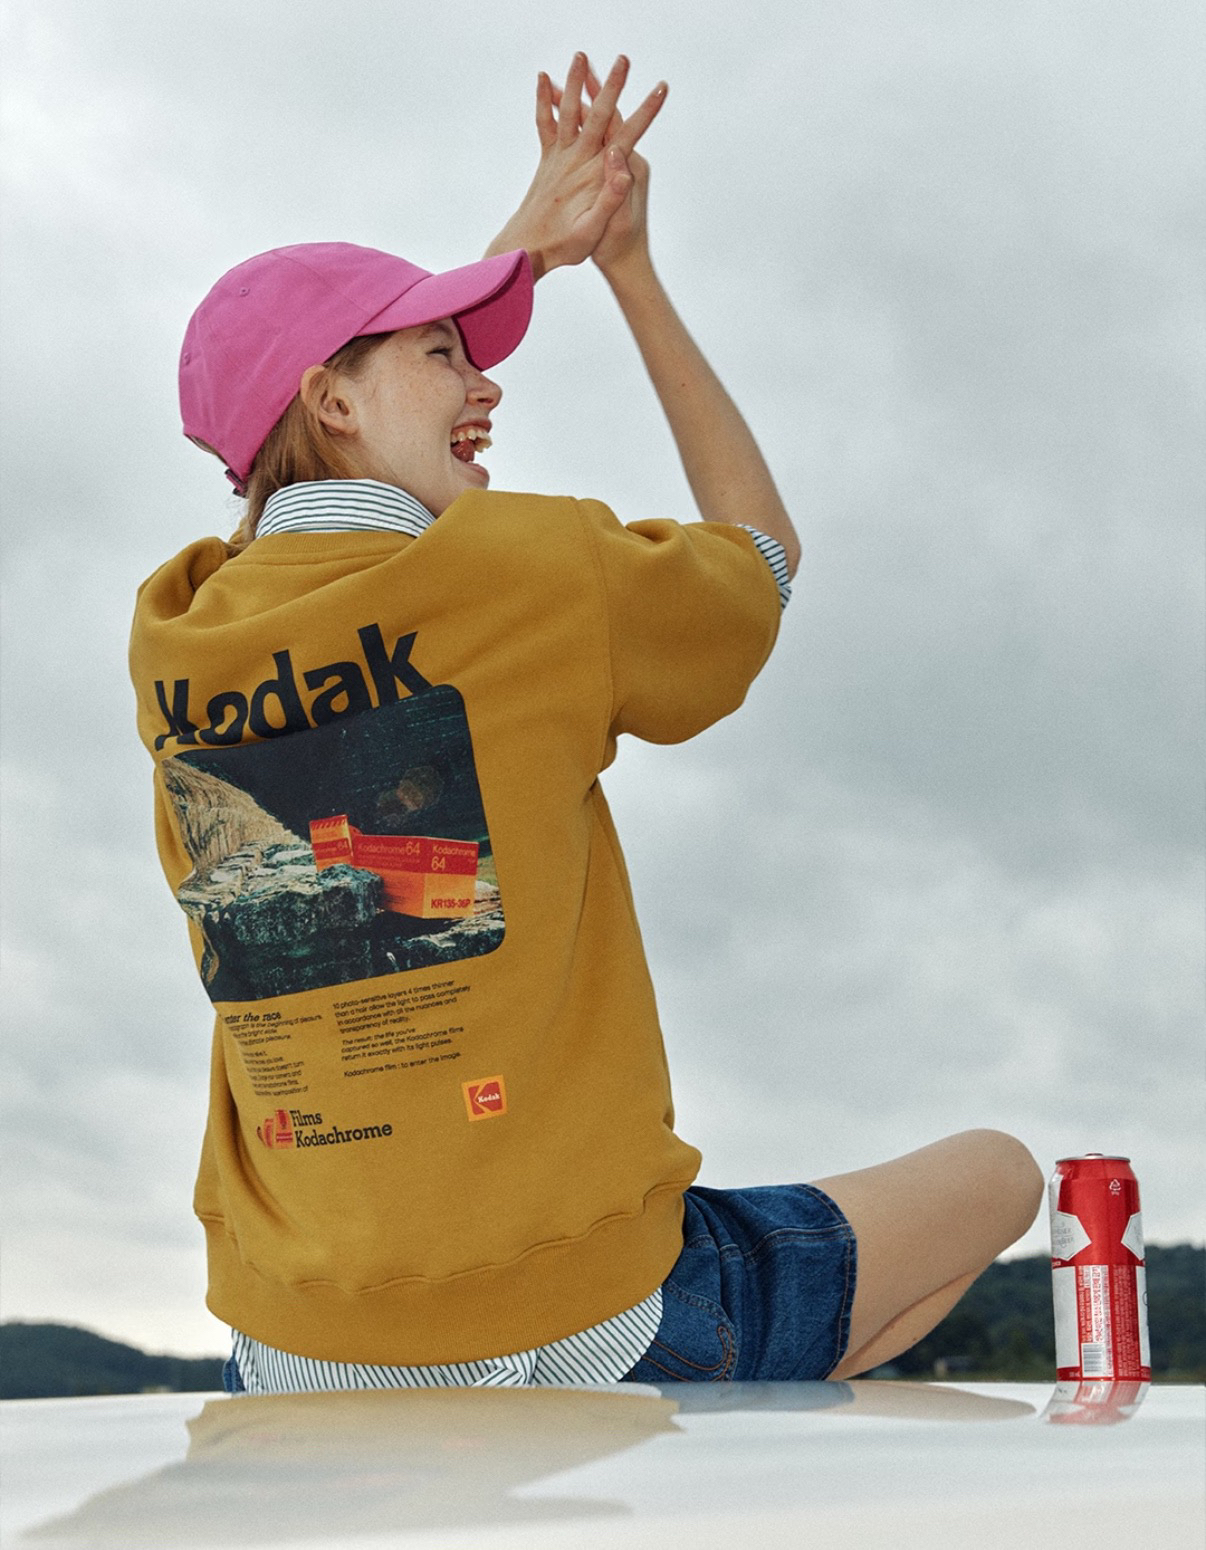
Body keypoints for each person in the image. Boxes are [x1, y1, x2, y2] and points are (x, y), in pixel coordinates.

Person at [129, 55, 1042, 1393]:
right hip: (583, 1319)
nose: (484, 388)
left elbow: (310, 487)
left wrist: (507, 268)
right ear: (333, 401)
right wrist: (626, 271)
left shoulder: (175, 636)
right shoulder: (533, 570)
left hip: (298, 1344)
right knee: (1000, 1176)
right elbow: (762, 555)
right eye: (445, 356)